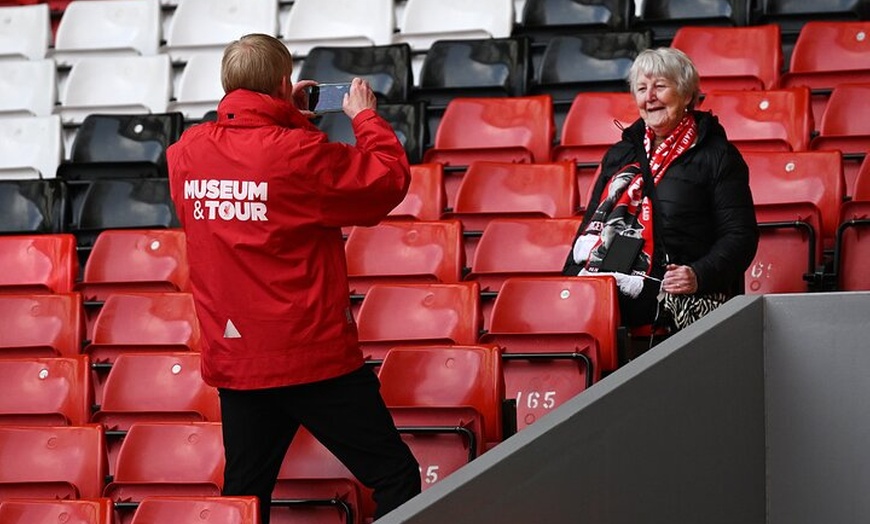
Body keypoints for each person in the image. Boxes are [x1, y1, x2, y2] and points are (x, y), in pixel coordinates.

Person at [167, 33, 421, 523]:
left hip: (238, 357)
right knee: (395, 478)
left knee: (245, 495)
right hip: (311, 356)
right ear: (285, 83)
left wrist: (282, 115)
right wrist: (364, 117)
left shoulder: (187, 152)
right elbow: (386, 180)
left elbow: (250, 170)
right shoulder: (298, 153)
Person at [563, 47, 759, 360]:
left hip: (678, 285)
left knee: (606, 310)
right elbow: (590, 228)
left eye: (660, 86)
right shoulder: (620, 155)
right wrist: (572, 282)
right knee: (565, 308)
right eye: (641, 89)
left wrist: (698, 274)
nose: (650, 96)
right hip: (617, 271)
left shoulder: (717, 155)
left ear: (686, 94)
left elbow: (741, 236)